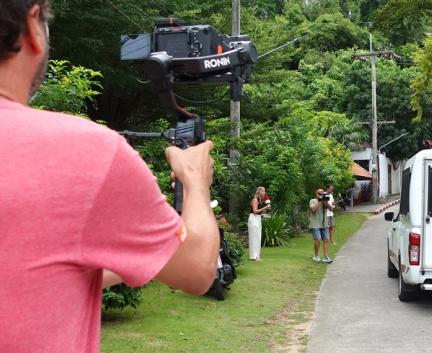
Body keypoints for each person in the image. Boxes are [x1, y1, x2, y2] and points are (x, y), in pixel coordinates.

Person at [0, 1, 219, 352]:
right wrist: (194, 182)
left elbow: (27, 272)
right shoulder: (82, 153)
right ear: (31, 27)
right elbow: (196, 268)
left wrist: (130, 254)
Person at [309, 188, 334, 263]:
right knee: (318, 239)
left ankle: (326, 257)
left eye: (323, 193)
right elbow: (313, 210)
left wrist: (325, 202)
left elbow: (331, 209)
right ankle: (316, 256)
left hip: (324, 224)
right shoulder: (313, 200)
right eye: (320, 193)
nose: (322, 194)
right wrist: (320, 201)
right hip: (315, 224)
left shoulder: (325, 201)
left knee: (326, 240)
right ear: (316, 194)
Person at [248, 186, 271, 261]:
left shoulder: (260, 201)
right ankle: (254, 256)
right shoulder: (255, 199)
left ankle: (257, 255)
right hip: (253, 219)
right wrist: (265, 208)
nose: (264, 193)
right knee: (254, 237)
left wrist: (266, 210)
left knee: (258, 237)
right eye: (263, 191)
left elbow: (259, 212)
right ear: (259, 192)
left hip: (257, 219)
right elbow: (254, 211)